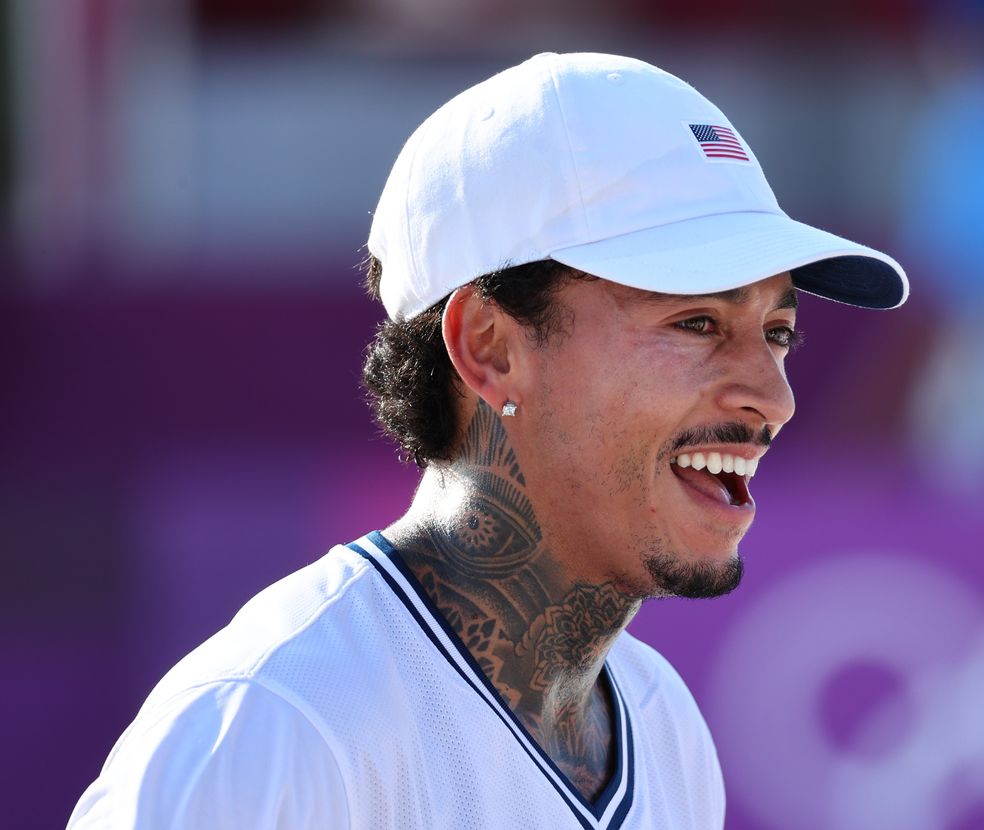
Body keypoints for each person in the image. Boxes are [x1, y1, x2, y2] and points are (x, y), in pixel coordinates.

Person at [68, 52, 907, 829]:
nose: (773, 396)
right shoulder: (278, 723)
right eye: (695, 322)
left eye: (778, 334)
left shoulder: (662, 726)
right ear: (490, 348)